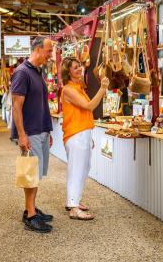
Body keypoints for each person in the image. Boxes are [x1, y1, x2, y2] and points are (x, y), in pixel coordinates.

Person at [11, 37, 54, 233]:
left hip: (41, 130)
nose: (50, 54)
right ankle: (30, 215)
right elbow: (16, 107)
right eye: (48, 50)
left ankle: (31, 207)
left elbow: (40, 104)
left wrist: (48, 130)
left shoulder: (37, 72)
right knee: (31, 174)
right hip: (30, 132)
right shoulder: (22, 73)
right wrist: (21, 135)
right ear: (38, 49)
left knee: (36, 174)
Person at [61, 57, 109, 220]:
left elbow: (84, 113)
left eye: (79, 66)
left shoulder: (79, 87)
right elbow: (88, 107)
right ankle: (73, 207)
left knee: (83, 168)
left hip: (83, 133)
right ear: (68, 72)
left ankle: (74, 200)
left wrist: (89, 135)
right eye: (75, 67)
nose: (80, 69)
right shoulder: (68, 89)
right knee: (76, 170)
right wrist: (102, 89)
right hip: (76, 134)